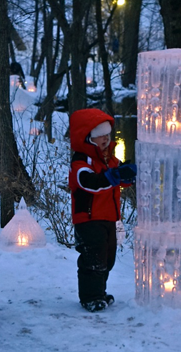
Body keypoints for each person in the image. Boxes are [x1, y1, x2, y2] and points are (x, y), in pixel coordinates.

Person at [68, 108, 137, 312]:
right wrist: (113, 176)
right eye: (100, 137)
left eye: (107, 135)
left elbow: (117, 180)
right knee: (93, 258)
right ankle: (90, 296)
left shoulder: (109, 159)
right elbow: (90, 183)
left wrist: (126, 176)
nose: (106, 140)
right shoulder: (81, 163)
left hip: (108, 217)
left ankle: (99, 292)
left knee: (107, 257)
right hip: (88, 219)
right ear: (88, 138)